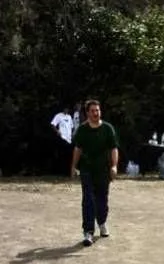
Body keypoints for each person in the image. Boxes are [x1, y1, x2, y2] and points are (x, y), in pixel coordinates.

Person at [71, 100, 119, 247]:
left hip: (103, 170)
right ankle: (88, 231)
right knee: (88, 200)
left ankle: (102, 222)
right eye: (93, 111)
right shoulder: (82, 130)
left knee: (102, 200)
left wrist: (114, 166)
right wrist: (73, 166)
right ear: (87, 113)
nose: (96, 113)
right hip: (87, 169)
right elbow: (78, 149)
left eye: (97, 110)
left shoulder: (107, 129)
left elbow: (114, 148)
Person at [51, 103, 77, 176]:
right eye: (65, 109)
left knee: (69, 156)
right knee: (62, 155)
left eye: (68, 109)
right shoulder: (58, 115)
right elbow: (53, 124)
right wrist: (57, 131)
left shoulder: (69, 116)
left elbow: (71, 126)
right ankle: (62, 172)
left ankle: (69, 172)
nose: (66, 110)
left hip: (69, 138)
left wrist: (72, 134)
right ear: (63, 109)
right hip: (62, 137)